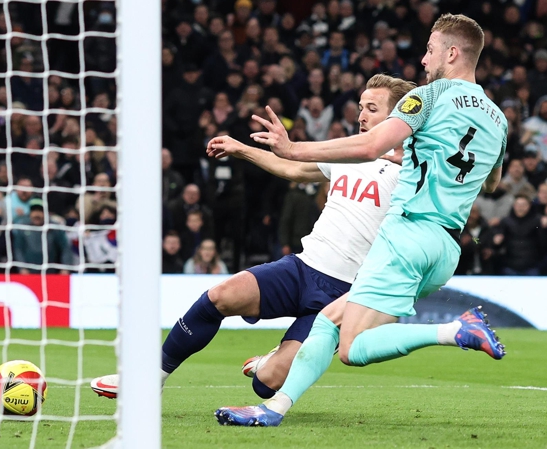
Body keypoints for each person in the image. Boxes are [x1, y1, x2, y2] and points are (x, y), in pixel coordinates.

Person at [216, 13, 506, 427]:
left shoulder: (427, 96)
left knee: (352, 348)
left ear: (453, 52)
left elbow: (371, 145)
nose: (424, 60)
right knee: (328, 321)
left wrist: (294, 148)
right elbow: (491, 182)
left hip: (407, 231)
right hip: (446, 248)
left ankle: (454, 330)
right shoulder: (498, 118)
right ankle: (273, 407)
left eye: (429, 49)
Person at [90, 74, 414, 400]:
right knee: (220, 295)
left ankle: (274, 360)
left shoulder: (415, 171)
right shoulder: (347, 154)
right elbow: (292, 169)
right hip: (301, 269)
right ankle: (150, 378)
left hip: (343, 295)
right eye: (361, 107)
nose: (361, 116)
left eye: (372, 108)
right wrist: (240, 148)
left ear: (398, 117)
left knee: (266, 383)